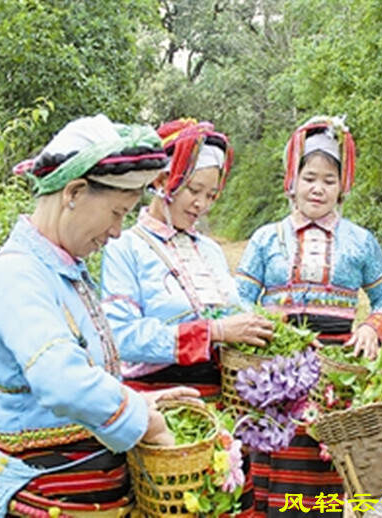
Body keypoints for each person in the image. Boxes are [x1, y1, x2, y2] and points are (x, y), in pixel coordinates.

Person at [0, 115, 198, 517]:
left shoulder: (67, 273)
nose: (118, 231)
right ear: (74, 192)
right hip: (47, 496)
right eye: (117, 213)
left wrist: (140, 400)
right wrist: (144, 420)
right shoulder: (15, 275)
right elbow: (61, 380)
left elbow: (87, 381)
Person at [100, 118, 274, 514]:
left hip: (221, 409)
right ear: (163, 181)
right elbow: (121, 335)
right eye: (194, 190)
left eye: (212, 195)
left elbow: (236, 314)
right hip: (162, 409)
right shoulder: (126, 247)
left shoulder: (210, 252)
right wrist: (212, 331)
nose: (202, 204)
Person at [235, 116, 382, 517]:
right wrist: (257, 327)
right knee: (269, 465)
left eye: (329, 180)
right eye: (309, 177)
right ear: (291, 180)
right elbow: (238, 297)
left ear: (343, 186)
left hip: (333, 374)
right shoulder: (266, 238)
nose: (318, 188)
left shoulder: (361, 241)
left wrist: (370, 328)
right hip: (272, 372)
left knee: (319, 471)